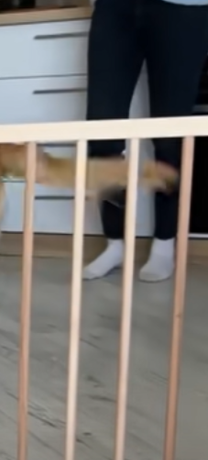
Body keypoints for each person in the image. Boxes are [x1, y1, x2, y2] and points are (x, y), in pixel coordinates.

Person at [82, 0, 208, 282]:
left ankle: (164, 243)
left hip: (181, 8)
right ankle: (115, 243)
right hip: (114, 8)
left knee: (169, 137)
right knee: (103, 135)